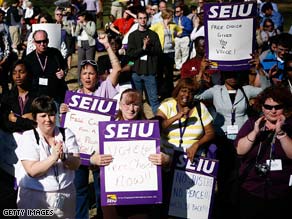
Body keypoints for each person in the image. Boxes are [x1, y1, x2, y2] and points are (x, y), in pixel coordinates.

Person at [59, 33, 121, 219]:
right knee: (79, 190)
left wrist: (107, 46)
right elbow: (67, 124)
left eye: (91, 73)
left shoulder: (104, 89)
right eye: (84, 73)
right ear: (80, 76)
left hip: (99, 150)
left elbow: (117, 69)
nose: (87, 77)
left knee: (102, 190)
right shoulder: (74, 96)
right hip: (80, 150)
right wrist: (63, 111)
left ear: (97, 76)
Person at [101, 88, 168, 219]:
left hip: (140, 195)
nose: (131, 109)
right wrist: (95, 159)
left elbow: (165, 155)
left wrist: (164, 159)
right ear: (120, 105)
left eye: (135, 104)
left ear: (141, 107)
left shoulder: (150, 128)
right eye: (127, 104)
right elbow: (92, 157)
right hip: (113, 193)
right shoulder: (108, 128)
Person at [15, 95, 80, 218]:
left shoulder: (66, 134)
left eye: (51, 114)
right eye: (43, 116)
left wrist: (64, 157)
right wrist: (53, 158)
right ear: (35, 118)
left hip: (65, 195)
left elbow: (76, 163)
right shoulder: (28, 137)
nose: (48, 120)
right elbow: (32, 171)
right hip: (35, 197)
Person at [235, 86, 292, 219]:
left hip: (281, 191)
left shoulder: (290, 126)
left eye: (277, 107)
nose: (273, 111)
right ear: (262, 107)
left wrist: (281, 133)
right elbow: (240, 150)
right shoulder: (251, 123)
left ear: (285, 108)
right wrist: (255, 132)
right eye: (268, 107)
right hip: (252, 189)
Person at [127, 10, 162, 115]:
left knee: (154, 100)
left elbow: (159, 52)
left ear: (147, 19)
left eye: (144, 18)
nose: (142, 20)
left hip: (150, 72)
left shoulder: (153, 35)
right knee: (136, 102)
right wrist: (143, 48)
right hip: (136, 72)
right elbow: (130, 54)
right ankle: (138, 122)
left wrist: (148, 47)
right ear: (137, 19)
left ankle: (159, 124)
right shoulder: (132, 35)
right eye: (140, 18)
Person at [24, 29, 68, 105]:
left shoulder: (55, 53)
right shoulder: (28, 59)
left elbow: (64, 67)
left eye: (44, 41)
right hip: (37, 97)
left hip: (55, 95)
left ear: (48, 41)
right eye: (39, 42)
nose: (42, 44)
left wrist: (63, 72)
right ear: (34, 42)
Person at [150, 8, 182, 100]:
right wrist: (154, 42)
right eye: (171, 16)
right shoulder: (158, 25)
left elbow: (180, 30)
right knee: (159, 72)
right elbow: (149, 32)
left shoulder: (172, 25)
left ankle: (170, 91)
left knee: (169, 73)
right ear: (167, 16)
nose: (172, 17)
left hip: (170, 51)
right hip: (161, 52)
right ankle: (160, 91)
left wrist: (177, 34)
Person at [0, 60, 36, 133]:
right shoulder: (7, 97)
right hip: (12, 139)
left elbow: (37, 124)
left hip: (33, 138)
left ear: (28, 73)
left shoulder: (37, 96)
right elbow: (4, 123)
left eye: (21, 72)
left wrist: (15, 119)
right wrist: (26, 120)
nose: (17, 76)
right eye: (14, 73)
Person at [75, 10, 96, 80]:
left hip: (90, 44)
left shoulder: (91, 23)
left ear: (84, 17)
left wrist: (84, 26)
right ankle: (80, 80)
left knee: (89, 62)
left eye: (80, 16)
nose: (78, 18)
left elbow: (92, 33)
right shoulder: (79, 23)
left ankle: (90, 79)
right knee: (80, 63)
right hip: (81, 44)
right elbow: (76, 33)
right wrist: (78, 25)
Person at [173, 5, 193, 70]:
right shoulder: (174, 19)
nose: (176, 13)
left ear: (182, 11)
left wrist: (183, 27)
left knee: (185, 53)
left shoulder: (187, 19)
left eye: (178, 11)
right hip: (177, 38)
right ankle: (178, 67)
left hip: (184, 37)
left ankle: (184, 67)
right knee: (177, 53)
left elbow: (190, 29)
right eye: (175, 11)